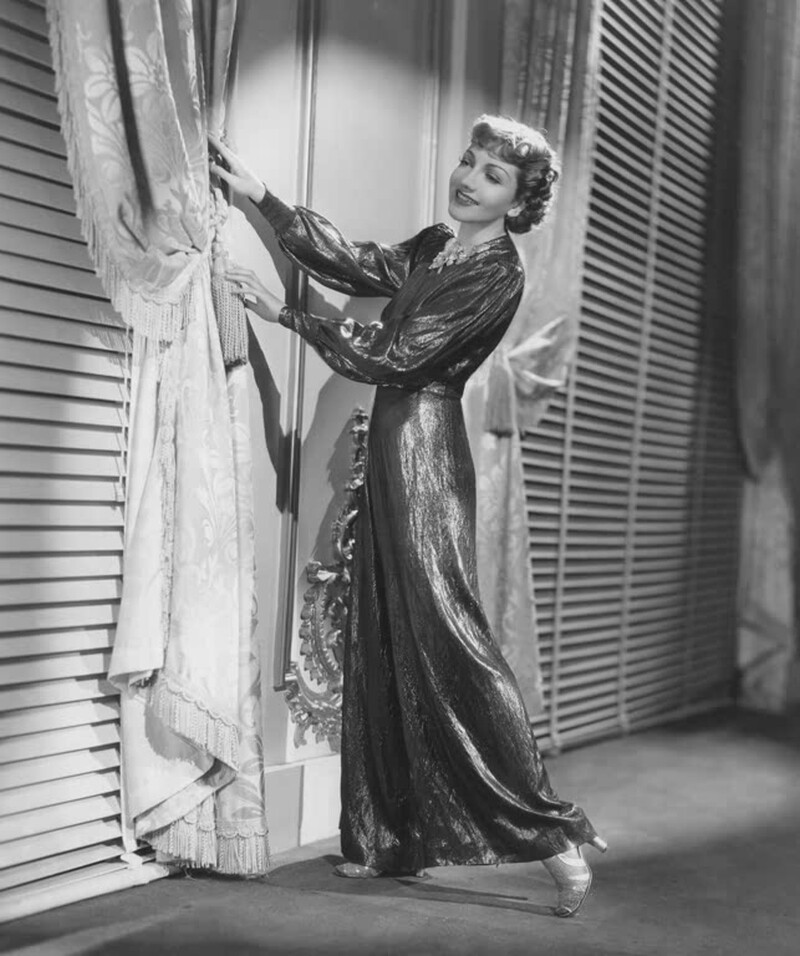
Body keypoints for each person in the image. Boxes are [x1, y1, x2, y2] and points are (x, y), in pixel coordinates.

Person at [209, 114, 607, 918]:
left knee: (449, 638)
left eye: (492, 174)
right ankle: (389, 835)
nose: (468, 178)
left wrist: (287, 316)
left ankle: (552, 837)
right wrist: (263, 199)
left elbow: (400, 356)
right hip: (391, 445)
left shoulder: (497, 273)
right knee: (383, 633)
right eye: (468, 160)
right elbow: (355, 261)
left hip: (427, 450)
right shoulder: (436, 246)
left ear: (517, 201)